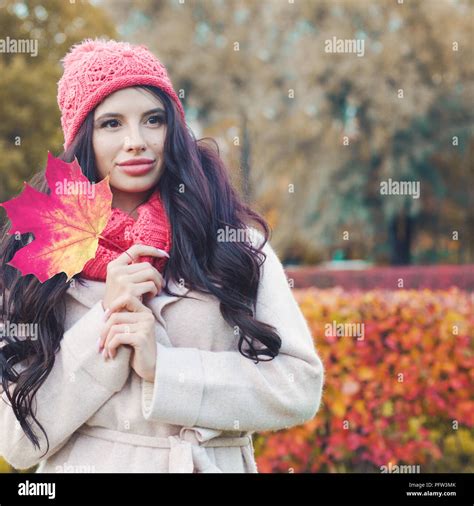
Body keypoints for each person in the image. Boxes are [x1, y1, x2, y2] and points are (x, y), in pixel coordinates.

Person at [0, 38, 325, 473]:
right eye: (111, 124)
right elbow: (17, 443)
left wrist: (168, 372)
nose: (136, 141)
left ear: (173, 129)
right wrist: (103, 326)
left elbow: (299, 387)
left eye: (153, 120)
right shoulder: (37, 256)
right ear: (82, 139)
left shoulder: (233, 241)